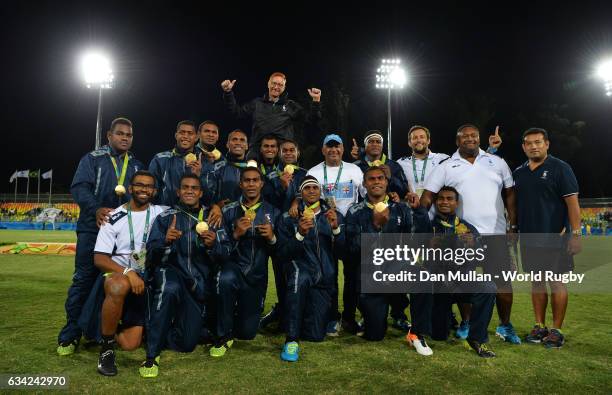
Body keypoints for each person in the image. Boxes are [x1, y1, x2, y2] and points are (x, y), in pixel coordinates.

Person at [420, 124, 521, 344]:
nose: (469, 139)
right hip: (461, 236)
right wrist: (421, 226)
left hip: (495, 234)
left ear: (479, 138)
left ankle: (505, 325)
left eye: (473, 135)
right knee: (464, 280)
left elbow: (510, 194)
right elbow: (428, 197)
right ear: (457, 141)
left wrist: (513, 226)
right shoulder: (446, 167)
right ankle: (466, 323)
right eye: (464, 136)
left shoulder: (497, 162)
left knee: (503, 282)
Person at [57, 117, 144, 356]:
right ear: (109, 135)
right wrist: (95, 208)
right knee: (84, 280)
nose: (125, 138)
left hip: (122, 236)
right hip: (92, 229)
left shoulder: (136, 165)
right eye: (120, 133)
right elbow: (79, 187)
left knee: (114, 282)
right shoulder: (92, 159)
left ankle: (102, 332)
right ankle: (70, 335)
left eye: (129, 135)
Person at [78, 171, 166, 375]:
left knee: (130, 344)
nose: (144, 189)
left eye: (149, 186)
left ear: (154, 191)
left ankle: (100, 323)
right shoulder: (113, 217)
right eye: (139, 185)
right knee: (120, 284)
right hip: (118, 274)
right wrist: (128, 272)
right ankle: (106, 351)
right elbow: (99, 259)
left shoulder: (162, 212)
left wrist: (216, 207)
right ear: (130, 188)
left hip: (146, 277)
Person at [140, 174, 228, 378]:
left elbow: (225, 255)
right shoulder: (165, 218)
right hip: (170, 274)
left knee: (187, 344)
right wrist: (165, 241)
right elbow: (151, 256)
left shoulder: (213, 218)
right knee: (169, 287)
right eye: (185, 187)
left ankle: (154, 329)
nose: (189, 190)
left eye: (194, 188)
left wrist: (213, 245)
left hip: (197, 285)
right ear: (178, 192)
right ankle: (152, 355)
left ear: (201, 193)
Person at [345, 166, 433, 355]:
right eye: (371, 179)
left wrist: (418, 211)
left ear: (386, 182)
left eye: (380, 178)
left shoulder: (400, 208)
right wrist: (375, 227)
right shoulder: (354, 211)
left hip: (396, 269)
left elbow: (416, 237)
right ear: (365, 184)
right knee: (375, 335)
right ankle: (374, 315)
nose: (376, 181)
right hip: (370, 275)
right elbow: (352, 249)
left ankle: (416, 334)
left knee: (423, 276)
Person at [513, 127, 582, 348]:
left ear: (547, 144)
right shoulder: (519, 172)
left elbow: (572, 203)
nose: (534, 146)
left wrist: (576, 234)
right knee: (536, 281)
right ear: (523, 147)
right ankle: (539, 325)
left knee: (556, 281)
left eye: (538, 142)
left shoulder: (560, 168)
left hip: (556, 237)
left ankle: (556, 330)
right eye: (529, 143)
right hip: (529, 238)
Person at [210, 165, 281, 357]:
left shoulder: (272, 212)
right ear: (241, 184)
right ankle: (222, 335)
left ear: (261, 184)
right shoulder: (228, 211)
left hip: (257, 275)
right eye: (247, 181)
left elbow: (281, 252)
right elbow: (219, 249)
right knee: (224, 279)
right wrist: (235, 234)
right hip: (232, 269)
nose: (251, 184)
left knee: (247, 333)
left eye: (255, 180)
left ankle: (236, 319)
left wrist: (272, 238)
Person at [420, 186, 497, 357]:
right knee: (438, 335)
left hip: (461, 282)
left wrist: (473, 246)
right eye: (441, 198)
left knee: (488, 287)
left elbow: (481, 257)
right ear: (435, 202)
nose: (444, 202)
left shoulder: (467, 228)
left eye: (449, 199)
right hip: (438, 285)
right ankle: (446, 318)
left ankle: (477, 338)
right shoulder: (427, 227)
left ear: (457, 203)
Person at [276, 176, 345, 361]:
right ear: (301, 192)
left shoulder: (332, 215)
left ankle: (289, 316)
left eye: (315, 187)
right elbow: (282, 254)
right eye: (307, 188)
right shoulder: (288, 217)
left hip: (323, 279)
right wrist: (300, 234)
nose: (312, 191)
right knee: (300, 277)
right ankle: (291, 340)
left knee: (315, 335)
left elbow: (344, 252)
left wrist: (336, 230)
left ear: (320, 191)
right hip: (299, 270)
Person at [350, 131, 411, 331]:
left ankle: (401, 313)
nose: (375, 144)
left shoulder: (393, 165)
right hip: (365, 217)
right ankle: (366, 312)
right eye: (371, 142)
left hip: (390, 216)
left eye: (378, 141)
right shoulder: (357, 166)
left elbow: (403, 189)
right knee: (361, 267)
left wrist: (392, 178)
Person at [306, 134, 364, 335]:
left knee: (352, 276)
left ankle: (349, 317)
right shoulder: (313, 172)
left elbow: (365, 196)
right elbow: (306, 195)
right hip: (325, 230)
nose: (333, 150)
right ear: (323, 150)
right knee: (329, 275)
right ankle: (332, 317)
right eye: (328, 147)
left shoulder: (354, 170)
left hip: (349, 230)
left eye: (337, 146)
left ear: (343, 149)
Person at [221, 72, 322, 156]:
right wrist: (228, 93)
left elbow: (311, 120)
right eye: (274, 83)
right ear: (268, 84)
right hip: (257, 151)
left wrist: (316, 101)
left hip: (282, 153)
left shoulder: (290, 105)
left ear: (284, 87)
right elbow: (236, 112)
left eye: (280, 85)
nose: (276, 87)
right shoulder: (257, 103)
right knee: (251, 169)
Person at [149, 120, 203, 207]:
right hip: (165, 211)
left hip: (193, 214)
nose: (185, 136)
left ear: (196, 137)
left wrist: (198, 177)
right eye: (182, 132)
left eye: (190, 133)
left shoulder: (203, 161)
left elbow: (208, 195)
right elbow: (151, 189)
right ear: (176, 135)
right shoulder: (160, 159)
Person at [206, 129, 249, 206]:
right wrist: (214, 205)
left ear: (246, 146)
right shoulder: (217, 166)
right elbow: (207, 191)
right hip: (223, 214)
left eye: (242, 140)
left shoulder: (253, 169)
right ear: (227, 144)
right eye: (234, 139)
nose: (238, 143)